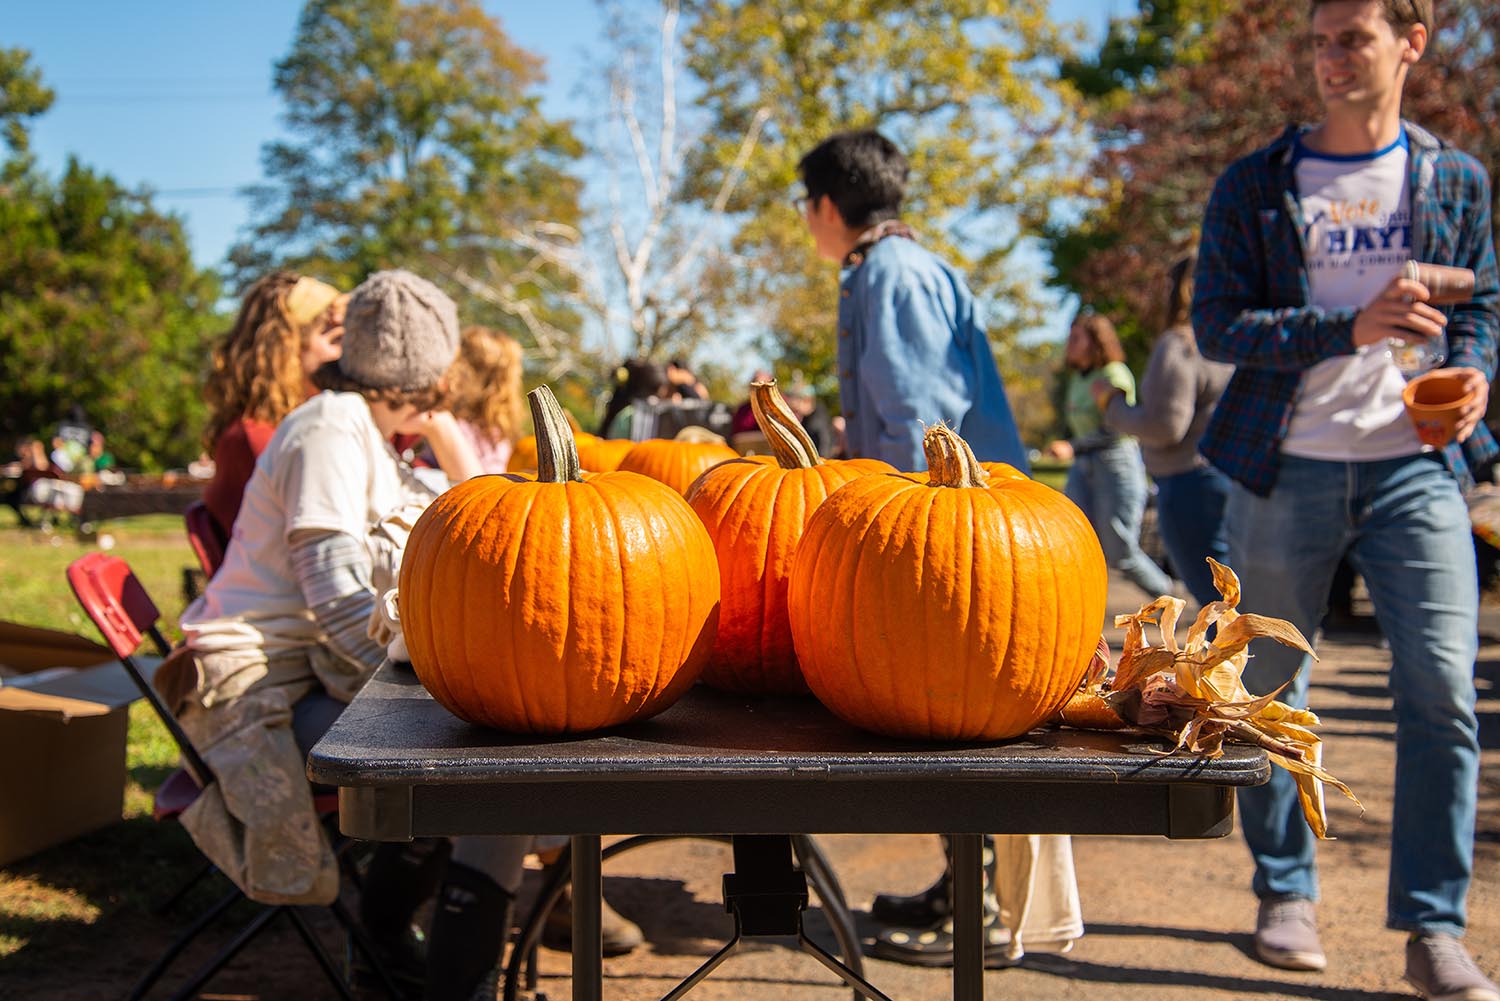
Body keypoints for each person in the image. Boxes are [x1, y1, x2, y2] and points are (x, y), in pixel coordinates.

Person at [1192, 1, 1498, 996]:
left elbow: (1483, 302)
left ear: (1412, 40)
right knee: (1275, 693)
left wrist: (1480, 375)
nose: (1330, 59)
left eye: (1352, 38)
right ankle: (1286, 890)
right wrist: (1345, 328)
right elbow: (1219, 325)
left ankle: (1433, 923)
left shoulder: (1455, 178)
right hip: (1289, 463)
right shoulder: (1256, 183)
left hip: (1416, 466)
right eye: (1320, 40)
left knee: (1445, 691)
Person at [157, 270, 512, 1000]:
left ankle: (387, 949)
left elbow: (483, 518)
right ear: (428, 371)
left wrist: (442, 433)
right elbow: (338, 600)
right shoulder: (327, 431)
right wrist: (437, 687)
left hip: (312, 672)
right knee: (486, 769)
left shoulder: (372, 437)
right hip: (257, 688)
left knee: (488, 749)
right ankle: (442, 981)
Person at [795, 129, 1027, 473]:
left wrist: (892, 519)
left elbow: (922, 424)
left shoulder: (897, 275)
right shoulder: (886, 269)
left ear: (827, 207)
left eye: (805, 205)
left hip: (957, 517)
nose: (806, 221)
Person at [1092, 253, 1233, 607]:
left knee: (1218, 605)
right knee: (1235, 594)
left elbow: (1165, 427)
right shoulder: (1231, 342)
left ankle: (1238, 662)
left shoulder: (1181, 345)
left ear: (1180, 289)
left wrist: (1111, 405)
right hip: (1230, 475)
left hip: (1190, 483)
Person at [199, 271, 349, 537]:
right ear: (288, 349)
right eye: (335, 340)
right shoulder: (255, 439)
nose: (346, 355)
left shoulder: (289, 431)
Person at [1047, 312, 1176, 599]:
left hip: (1115, 464)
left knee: (1120, 551)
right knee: (1073, 539)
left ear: (1095, 342)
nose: (1069, 343)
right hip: (1083, 467)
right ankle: (1074, 613)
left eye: (1076, 337)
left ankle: (1167, 599)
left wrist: (1072, 446)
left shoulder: (1113, 375)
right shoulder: (1078, 379)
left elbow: (1117, 427)